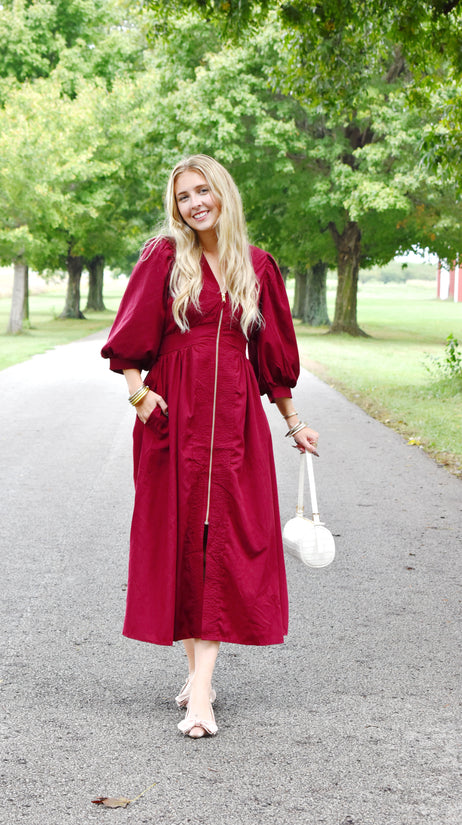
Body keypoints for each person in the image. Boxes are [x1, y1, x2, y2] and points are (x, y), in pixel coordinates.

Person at [101, 154, 319, 739]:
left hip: (236, 419)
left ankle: (202, 691)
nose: (194, 203)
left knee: (221, 539)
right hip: (173, 412)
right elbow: (131, 339)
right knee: (181, 537)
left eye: (203, 191)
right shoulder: (164, 257)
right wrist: (138, 396)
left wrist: (294, 422)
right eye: (183, 196)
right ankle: (200, 675)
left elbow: (273, 355)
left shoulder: (258, 265)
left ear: (222, 192)